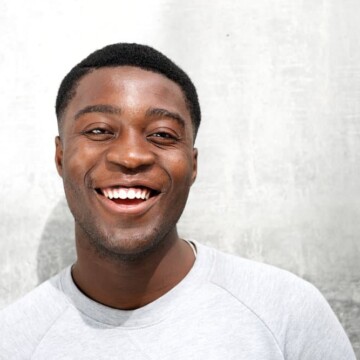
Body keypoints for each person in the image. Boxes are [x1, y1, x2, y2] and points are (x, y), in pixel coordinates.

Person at [0, 43, 356, 360]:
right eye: (99, 130)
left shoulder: (286, 313)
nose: (131, 155)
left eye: (162, 135)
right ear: (61, 157)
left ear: (193, 164)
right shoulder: (15, 341)